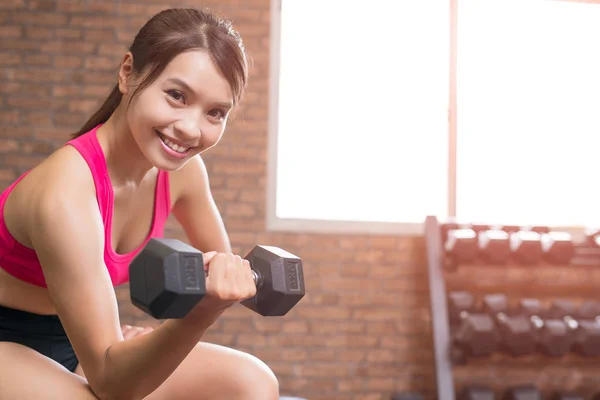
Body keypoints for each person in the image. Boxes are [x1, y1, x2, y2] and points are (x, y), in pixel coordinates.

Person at [0, 7, 279, 400]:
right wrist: (183, 321)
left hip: (77, 338)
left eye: (216, 112)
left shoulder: (184, 172)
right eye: (176, 95)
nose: (190, 129)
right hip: (9, 341)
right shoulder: (63, 194)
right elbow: (115, 384)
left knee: (255, 381)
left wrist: (129, 349)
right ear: (128, 73)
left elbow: (220, 266)